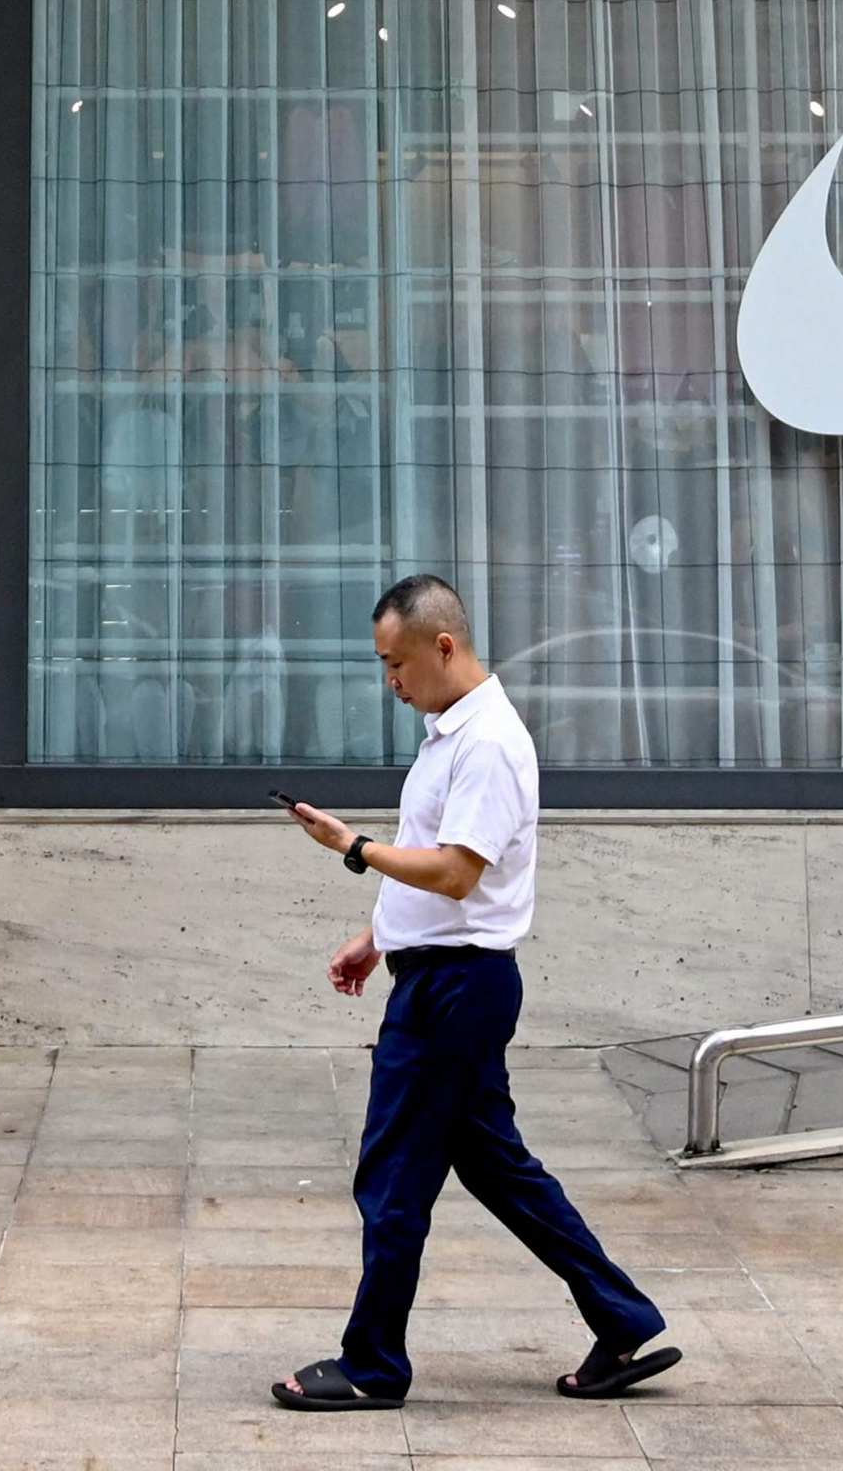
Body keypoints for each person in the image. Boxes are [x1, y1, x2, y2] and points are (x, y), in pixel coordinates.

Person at [268, 574, 678, 1413]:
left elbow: (457, 875)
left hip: (457, 991)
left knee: (392, 1178)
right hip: (444, 977)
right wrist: (378, 937)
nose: (390, 681)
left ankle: (373, 1366)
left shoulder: (487, 742)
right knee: (500, 1171)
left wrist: (352, 847)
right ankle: (623, 1315)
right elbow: (433, 858)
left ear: (442, 646)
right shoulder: (446, 733)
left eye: (396, 664)